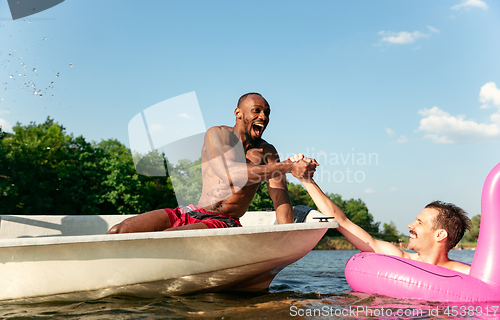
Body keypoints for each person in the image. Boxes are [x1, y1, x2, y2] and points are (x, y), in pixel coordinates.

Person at [107, 93, 317, 234]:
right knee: (119, 231)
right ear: (238, 113)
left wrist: (287, 236)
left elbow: (280, 197)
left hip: (223, 221)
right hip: (190, 212)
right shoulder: (217, 135)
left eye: (267, 112)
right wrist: (289, 166)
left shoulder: (268, 152)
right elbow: (231, 174)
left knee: (167, 237)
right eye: (257, 110)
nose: (264, 116)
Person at [288, 154, 472, 275]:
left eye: (420, 222)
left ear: (440, 234)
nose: (410, 225)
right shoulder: (398, 258)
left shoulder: (466, 273)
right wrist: (307, 180)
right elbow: (342, 221)